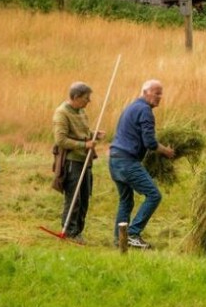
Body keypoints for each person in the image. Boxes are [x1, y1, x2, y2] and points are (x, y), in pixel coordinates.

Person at [109, 80, 175, 249]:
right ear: (145, 92)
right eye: (156, 93)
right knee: (154, 195)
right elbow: (150, 143)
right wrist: (166, 151)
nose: (159, 97)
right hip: (127, 161)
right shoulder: (145, 111)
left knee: (126, 201)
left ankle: (120, 239)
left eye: (161, 93)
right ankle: (132, 233)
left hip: (114, 159)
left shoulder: (131, 107)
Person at [53, 82, 104, 243]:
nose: (88, 101)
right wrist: (84, 145)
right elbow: (60, 140)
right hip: (72, 162)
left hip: (85, 160)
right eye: (85, 98)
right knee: (74, 198)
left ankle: (78, 231)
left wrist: (93, 134)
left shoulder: (81, 111)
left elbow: (83, 132)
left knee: (84, 197)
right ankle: (69, 231)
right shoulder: (62, 113)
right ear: (75, 97)